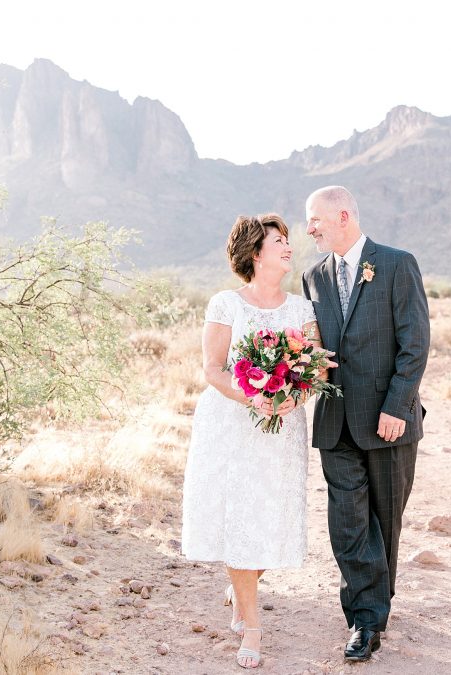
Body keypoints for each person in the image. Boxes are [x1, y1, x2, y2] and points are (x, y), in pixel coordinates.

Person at [181, 213, 329, 669]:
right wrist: (255, 397)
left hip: (282, 430)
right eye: (279, 241)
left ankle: (240, 585)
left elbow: (317, 369)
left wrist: (292, 395)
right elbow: (213, 369)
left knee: (270, 521)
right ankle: (252, 625)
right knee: (238, 519)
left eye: (288, 240)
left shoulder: (302, 309)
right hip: (231, 426)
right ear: (255, 253)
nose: (289, 246)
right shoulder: (227, 304)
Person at [301, 186, 430, 662]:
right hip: (336, 421)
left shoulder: (396, 264)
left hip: (387, 422)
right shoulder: (312, 276)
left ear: (342, 215)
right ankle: (364, 619)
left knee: (385, 523)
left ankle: (376, 605)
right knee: (348, 523)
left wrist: (398, 405)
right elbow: (313, 345)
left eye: (314, 219)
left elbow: (415, 342)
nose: (309, 228)